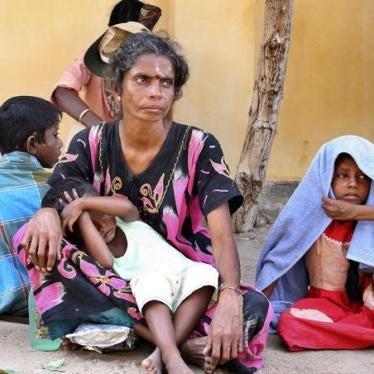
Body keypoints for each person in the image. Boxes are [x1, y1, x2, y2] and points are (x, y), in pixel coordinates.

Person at [16, 32, 272, 373]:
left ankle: (142, 335)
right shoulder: (92, 142)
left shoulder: (198, 146)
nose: (156, 92)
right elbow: (60, 189)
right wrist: (47, 213)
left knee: (252, 308)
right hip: (118, 280)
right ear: (116, 89)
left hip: (185, 283)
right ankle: (177, 345)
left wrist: (229, 295)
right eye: (143, 80)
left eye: (166, 83)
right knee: (31, 239)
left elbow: (222, 235)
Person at [42, 177, 219, 374]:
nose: (102, 226)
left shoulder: (128, 219)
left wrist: (82, 204)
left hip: (186, 280)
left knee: (206, 272)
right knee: (151, 282)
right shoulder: (95, 250)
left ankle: (162, 352)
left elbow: (126, 206)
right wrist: (82, 216)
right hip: (154, 298)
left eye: (101, 213)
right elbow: (107, 262)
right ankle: (172, 357)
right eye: (91, 225)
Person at [255, 135, 374, 351]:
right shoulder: (311, 217)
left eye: (363, 177)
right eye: (343, 175)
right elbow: (281, 256)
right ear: (326, 177)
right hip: (323, 306)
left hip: (365, 305)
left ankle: (351, 332)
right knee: (290, 324)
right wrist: (257, 303)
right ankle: (357, 333)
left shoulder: (368, 223)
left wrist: (358, 212)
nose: (353, 184)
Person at [51, 0, 161, 129]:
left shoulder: (154, 61)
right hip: (94, 138)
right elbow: (61, 93)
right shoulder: (94, 56)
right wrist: (101, 130)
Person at [0, 96, 63, 316]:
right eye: (55, 135)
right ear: (32, 144)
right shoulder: (53, 186)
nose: (60, 144)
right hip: (36, 309)